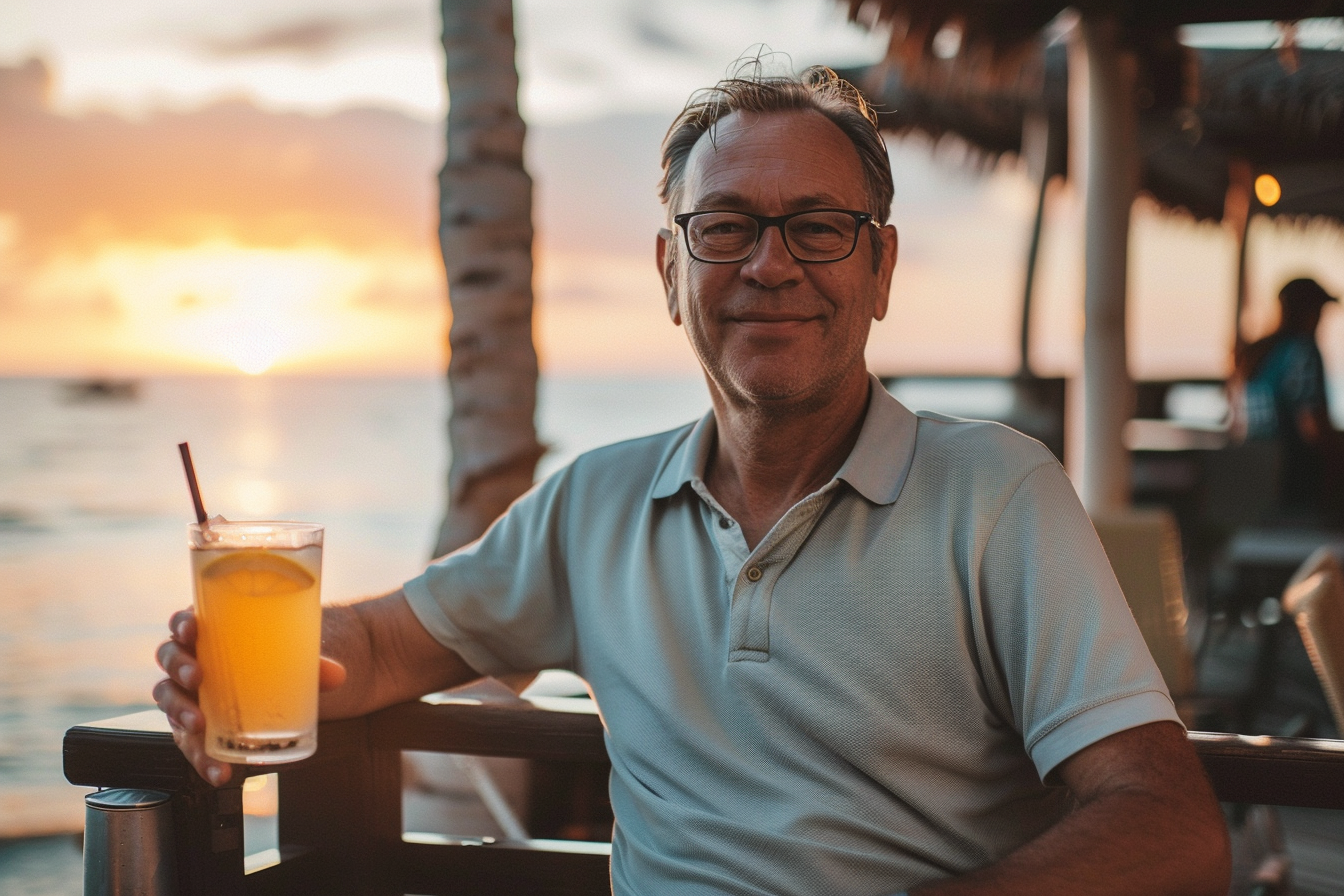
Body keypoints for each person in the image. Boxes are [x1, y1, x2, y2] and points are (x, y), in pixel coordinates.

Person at [156, 65, 1231, 895]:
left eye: (818, 226)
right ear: (671, 273)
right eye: (724, 227)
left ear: (881, 269)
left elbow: (1170, 823)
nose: (772, 265)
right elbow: (387, 642)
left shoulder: (996, 493)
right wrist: (240, 665)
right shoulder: (596, 505)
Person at [1231, 276, 1341, 521]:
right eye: (1318, 310)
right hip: (1292, 479)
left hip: (1254, 475)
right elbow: (1312, 425)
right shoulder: (1302, 351)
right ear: (1306, 312)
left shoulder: (1256, 354)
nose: (1321, 318)